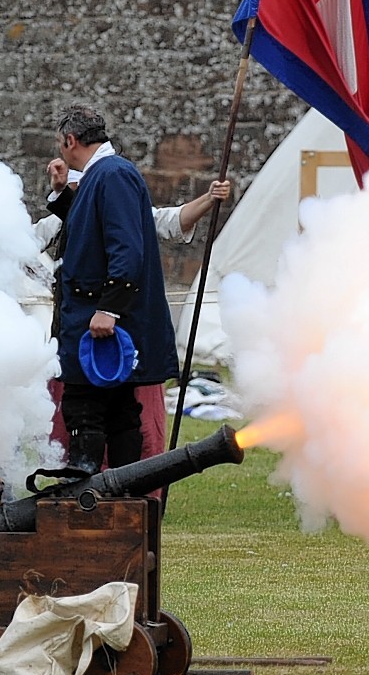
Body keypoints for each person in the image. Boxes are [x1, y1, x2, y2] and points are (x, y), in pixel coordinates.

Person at [38, 166, 233, 463]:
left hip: (122, 344)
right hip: (78, 344)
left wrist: (208, 198)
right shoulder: (61, 218)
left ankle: (129, 496)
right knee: (79, 425)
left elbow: (171, 222)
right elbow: (26, 243)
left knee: (128, 423)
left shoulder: (125, 215)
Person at [52, 105, 177, 475]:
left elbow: (126, 248)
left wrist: (110, 308)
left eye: (61, 144)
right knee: (115, 409)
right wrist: (61, 194)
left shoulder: (113, 175)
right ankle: (119, 500)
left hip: (103, 320)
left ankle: (102, 500)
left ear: (71, 140)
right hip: (97, 318)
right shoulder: (103, 175)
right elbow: (92, 226)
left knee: (88, 410)